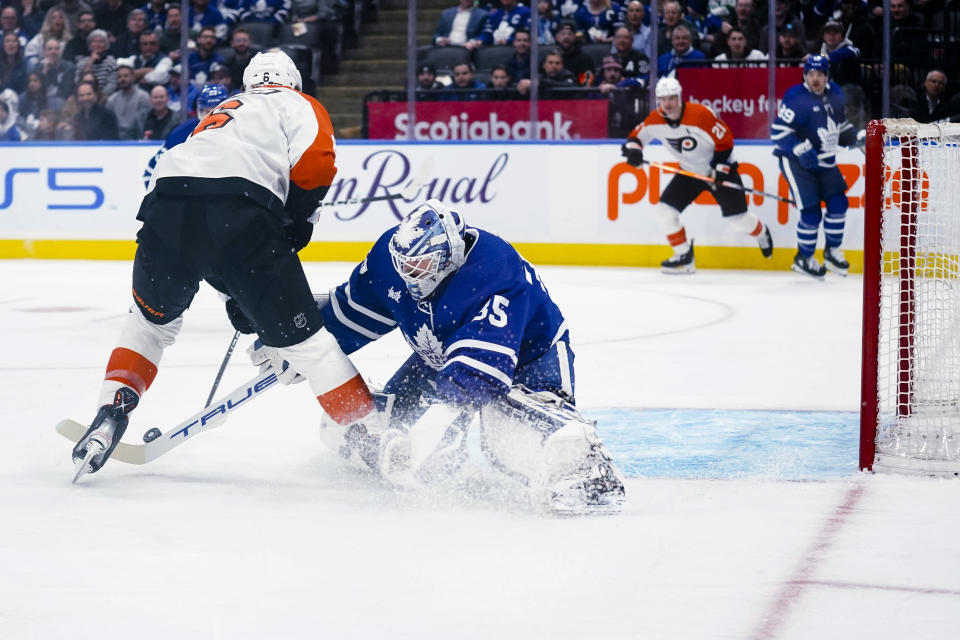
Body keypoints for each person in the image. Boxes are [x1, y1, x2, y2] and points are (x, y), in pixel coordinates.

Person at [70, 51, 380, 484]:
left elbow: (202, 206)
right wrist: (297, 225)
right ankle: (370, 435)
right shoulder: (298, 104)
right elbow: (314, 165)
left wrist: (236, 290)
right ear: (291, 81)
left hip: (164, 211)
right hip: (241, 216)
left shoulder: (223, 110)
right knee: (310, 347)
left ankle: (110, 410)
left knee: (148, 324)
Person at [298, 198, 625, 513]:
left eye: (421, 266)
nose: (411, 275)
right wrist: (299, 339)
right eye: (404, 265)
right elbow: (355, 312)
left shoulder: (494, 271)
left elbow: (477, 375)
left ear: (449, 257)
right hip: (443, 356)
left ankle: (581, 466)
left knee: (506, 438)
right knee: (382, 424)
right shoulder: (390, 258)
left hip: (532, 358)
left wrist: (433, 430)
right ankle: (401, 448)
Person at [621, 76, 773, 274]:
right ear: (658, 100)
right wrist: (634, 151)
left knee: (737, 220)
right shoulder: (655, 120)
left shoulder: (699, 115)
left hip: (718, 169)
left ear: (679, 97)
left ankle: (761, 232)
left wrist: (720, 168)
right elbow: (635, 137)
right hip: (689, 171)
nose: (667, 103)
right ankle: (684, 255)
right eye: (663, 99)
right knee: (665, 211)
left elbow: (725, 140)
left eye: (672, 98)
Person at [771, 54, 859, 279]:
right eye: (811, 74)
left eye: (820, 74)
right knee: (811, 214)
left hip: (825, 160)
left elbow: (840, 125)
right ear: (805, 75)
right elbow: (778, 133)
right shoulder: (795, 97)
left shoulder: (836, 93)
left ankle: (832, 252)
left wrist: (854, 137)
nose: (815, 78)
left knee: (839, 204)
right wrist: (798, 148)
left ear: (827, 75)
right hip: (796, 162)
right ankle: (804, 257)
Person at [142, 82, 228, 187]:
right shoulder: (182, 133)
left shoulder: (238, 132)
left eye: (216, 112)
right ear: (199, 111)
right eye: (207, 112)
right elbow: (150, 172)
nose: (211, 118)